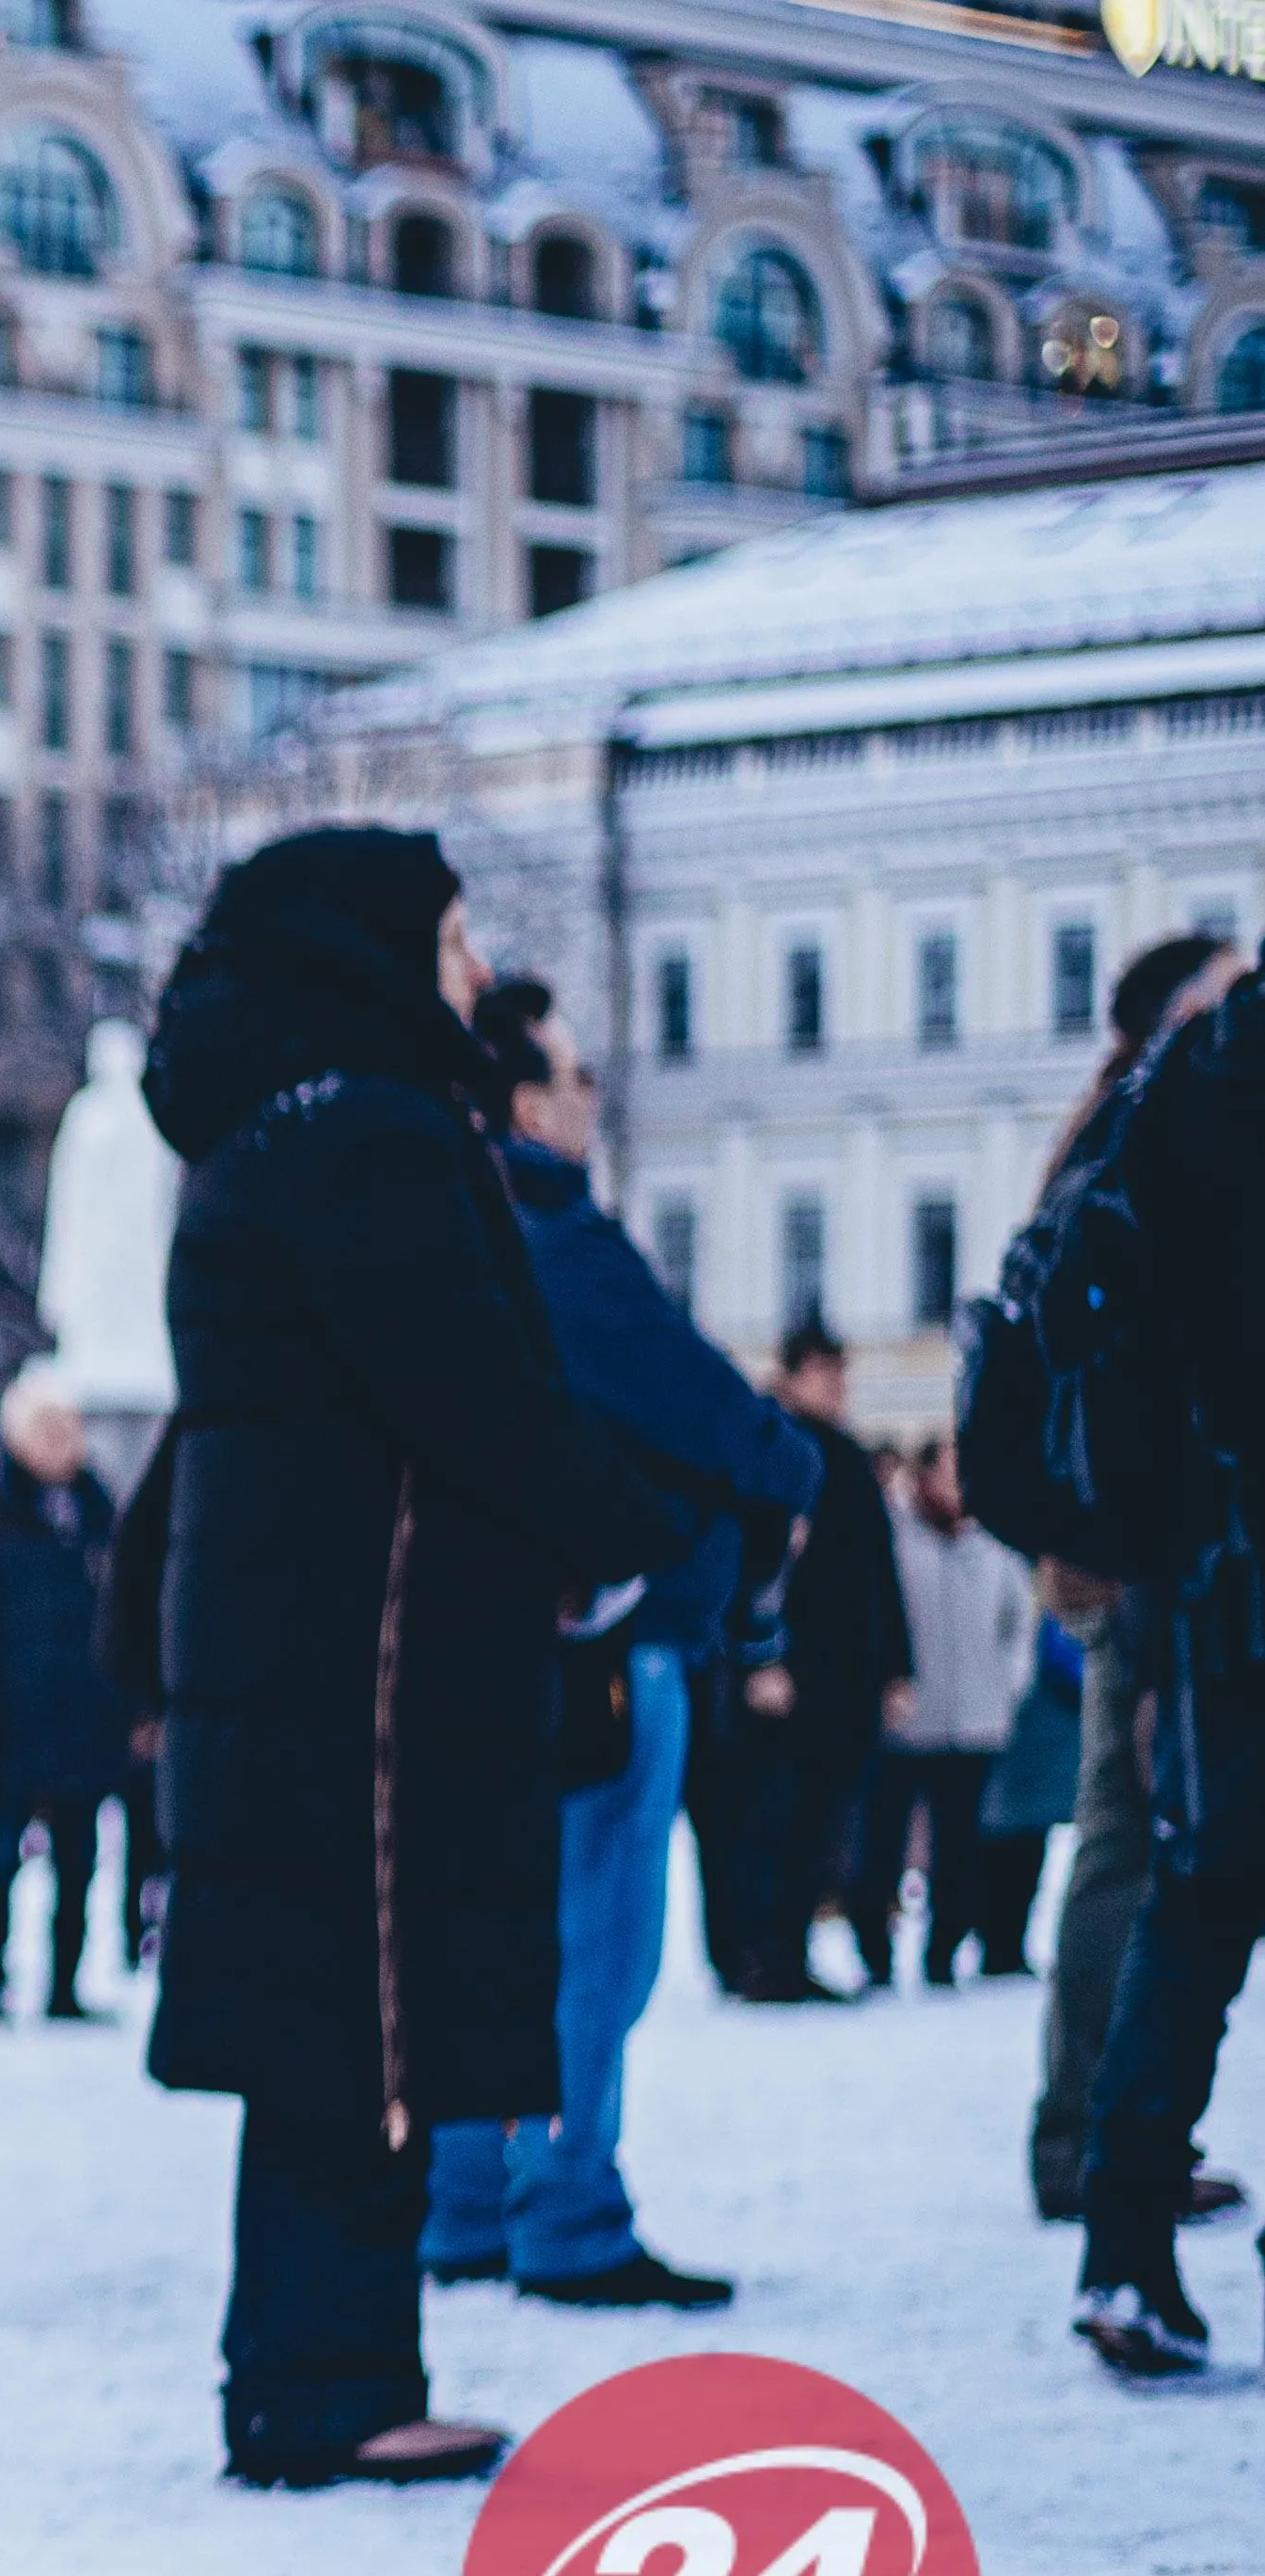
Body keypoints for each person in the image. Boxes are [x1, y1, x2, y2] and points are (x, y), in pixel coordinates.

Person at [138, 831, 672, 2489]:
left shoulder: (278, 1126)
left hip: (303, 1645)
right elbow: (469, 1389)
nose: (466, 969)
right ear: (370, 948)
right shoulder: (362, 1134)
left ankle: (315, 2367)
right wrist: (608, 1516)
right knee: (357, 2022)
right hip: (358, 1666)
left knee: (323, 2015)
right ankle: (325, 2383)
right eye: (446, 937)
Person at [410, 973, 810, 2314]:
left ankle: (468, 2197)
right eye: (576, 1076)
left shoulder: (455, 1232)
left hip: (498, 1642)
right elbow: (707, 1410)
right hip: (610, 1637)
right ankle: (567, 2209)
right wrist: (788, 1468)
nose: (591, 1098)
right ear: (526, 1102)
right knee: (596, 1938)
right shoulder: (556, 1236)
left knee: (501, 1925)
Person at [1032, 932, 1254, 2222]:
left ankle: (1108, 2151)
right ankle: (1086, 2146)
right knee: (1142, 1845)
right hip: (1154, 1560)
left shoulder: (1126, 1125)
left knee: (1159, 1846)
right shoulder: (1146, 1125)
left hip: (1149, 1550)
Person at [692, 1332, 904, 2001]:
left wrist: (897, 1667)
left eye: (840, 1372)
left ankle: (786, 1949)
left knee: (818, 1822)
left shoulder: (842, 1455)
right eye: (823, 1373)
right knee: (767, 1820)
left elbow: (878, 1576)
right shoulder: (771, 1450)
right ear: (789, 1376)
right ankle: (759, 1955)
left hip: (843, 1676)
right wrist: (760, 1657)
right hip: (784, 1678)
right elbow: (755, 1569)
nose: (837, 1385)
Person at [0, 1372, 131, 2027]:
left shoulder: (97, 1514)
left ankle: (63, 1986)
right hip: (3, 1718)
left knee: (78, 1859)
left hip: (80, 1715)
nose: (57, 1443)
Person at [861, 1437, 1040, 1984]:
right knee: (884, 1839)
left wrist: (1007, 1686)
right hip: (906, 1720)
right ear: (925, 1475)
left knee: (960, 1843)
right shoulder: (891, 1536)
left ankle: (944, 1950)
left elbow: (1021, 1622)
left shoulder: (996, 1543)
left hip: (976, 1719)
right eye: (952, 1472)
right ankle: (876, 1950)